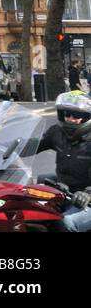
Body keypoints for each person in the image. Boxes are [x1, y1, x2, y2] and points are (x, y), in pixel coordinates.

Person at [22, 91, 91, 232]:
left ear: (86, 118)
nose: (70, 119)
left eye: (76, 116)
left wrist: (88, 193)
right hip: (63, 192)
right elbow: (34, 145)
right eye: (67, 114)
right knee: (26, 213)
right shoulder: (57, 132)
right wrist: (1, 147)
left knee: (66, 223)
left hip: (86, 200)